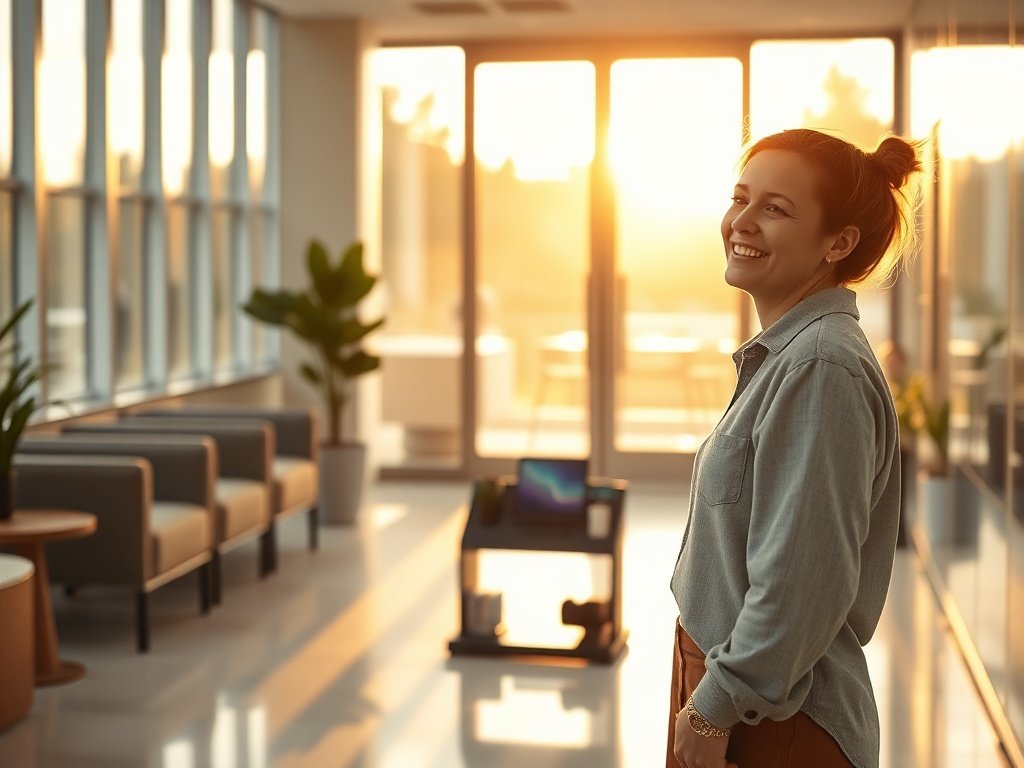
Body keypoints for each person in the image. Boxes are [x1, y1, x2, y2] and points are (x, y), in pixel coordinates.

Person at [667, 128, 922, 768]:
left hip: (776, 721)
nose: (742, 222)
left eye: (775, 209)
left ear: (838, 243)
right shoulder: (790, 356)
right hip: (740, 695)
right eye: (741, 198)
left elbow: (802, 582)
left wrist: (714, 706)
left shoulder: (820, 366)